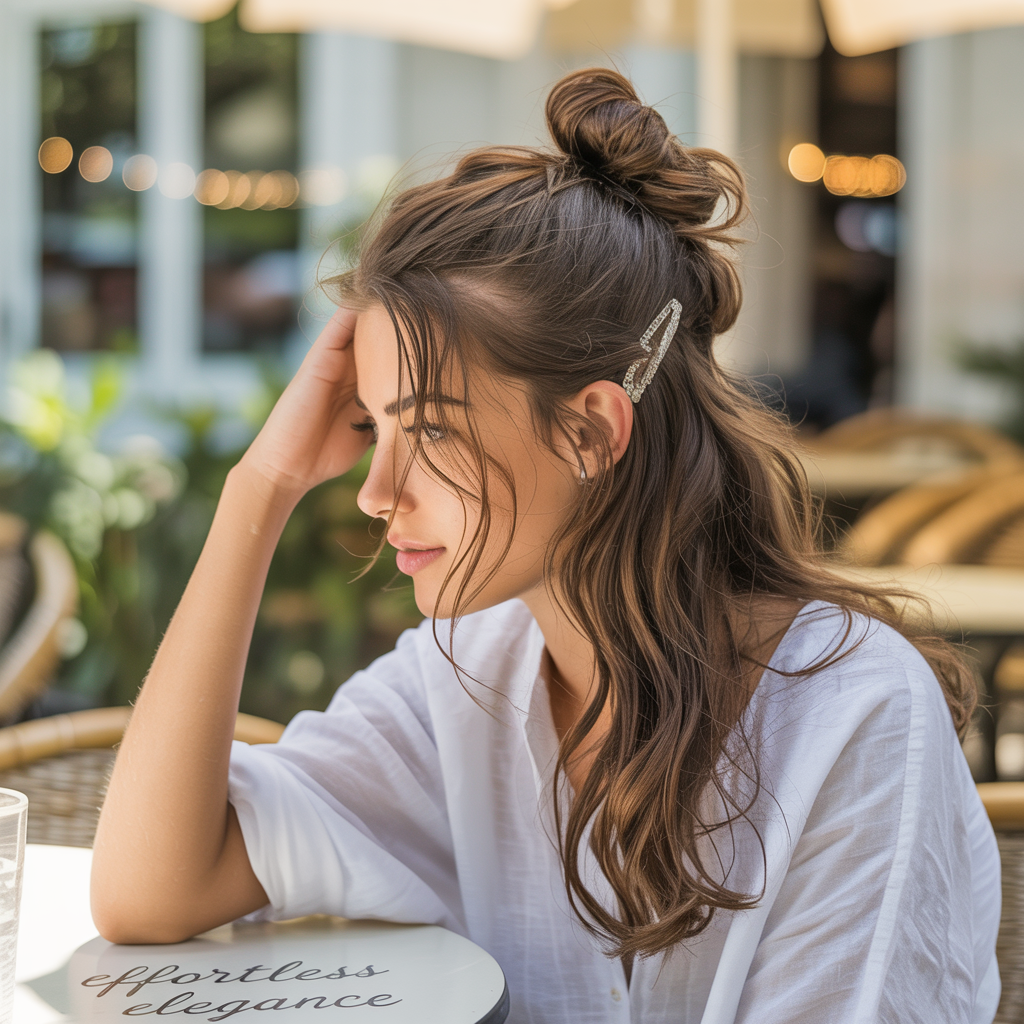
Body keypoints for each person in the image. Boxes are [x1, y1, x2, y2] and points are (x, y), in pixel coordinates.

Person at [91, 68, 1001, 1023]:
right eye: (371, 425)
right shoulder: (466, 681)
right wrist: (260, 489)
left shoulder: (853, 718)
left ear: (592, 431)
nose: (375, 492)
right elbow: (152, 892)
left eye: (431, 430)